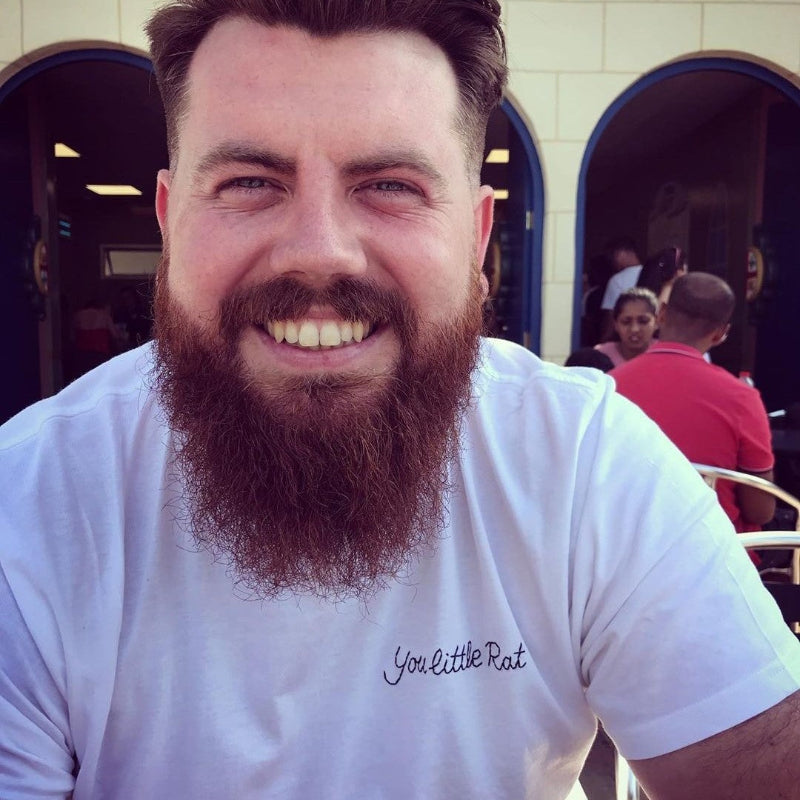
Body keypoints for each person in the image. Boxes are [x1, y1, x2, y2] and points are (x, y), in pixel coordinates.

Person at [1, 3, 798, 799]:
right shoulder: (26, 507)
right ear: (171, 222)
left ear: (476, 236)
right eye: (249, 182)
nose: (317, 251)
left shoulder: (585, 461)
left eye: (390, 185)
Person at [612, 272, 776, 532]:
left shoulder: (609, 387)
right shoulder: (741, 398)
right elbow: (760, 510)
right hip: (713, 556)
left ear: (662, 314)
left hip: (622, 551)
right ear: (721, 333)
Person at [594, 287, 658, 367]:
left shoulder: (666, 353)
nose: (635, 329)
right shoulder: (600, 355)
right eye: (626, 322)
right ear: (616, 324)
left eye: (643, 321)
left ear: (657, 322)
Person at [599, 236, 642, 341]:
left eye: (611, 258)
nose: (612, 263)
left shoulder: (617, 280)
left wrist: (605, 340)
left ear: (620, 253)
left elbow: (611, 315)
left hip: (624, 340)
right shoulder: (653, 274)